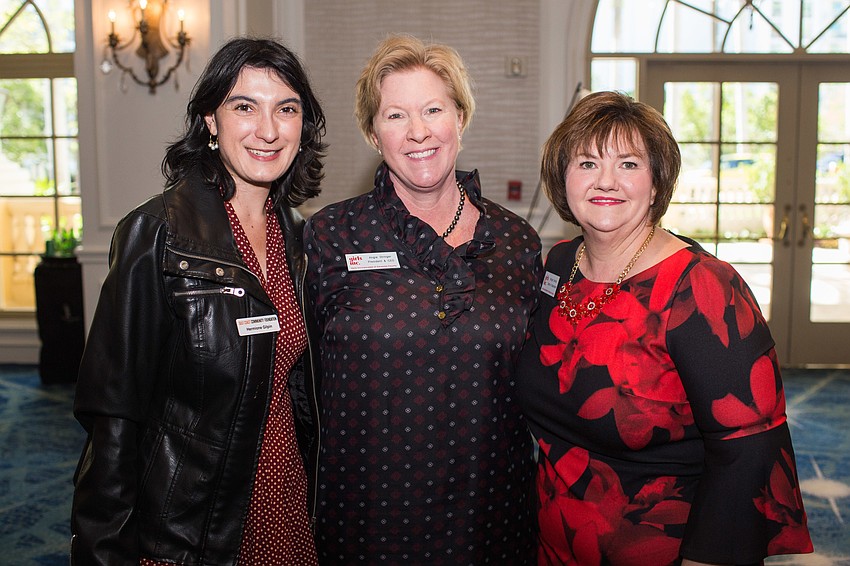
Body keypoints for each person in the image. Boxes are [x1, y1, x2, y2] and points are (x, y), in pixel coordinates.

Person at [515, 90, 813, 565]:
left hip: (664, 550)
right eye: (587, 163)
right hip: (551, 545)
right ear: (562, 178)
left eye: (629, 164)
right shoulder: (559, 265)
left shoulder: (703, 288)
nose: (606, 180)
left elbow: (749, 456)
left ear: (656, 183)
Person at [70, 37, 327, 565]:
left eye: (287, 109)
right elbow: (114, 415)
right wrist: (104, 551)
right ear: (210, 119)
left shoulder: (302, 240)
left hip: (287, 504)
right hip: (191, 525)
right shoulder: (157, 234)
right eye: (244, 107)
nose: (269, 129)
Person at [303, 34, 542, 564]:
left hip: (492, 515)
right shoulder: (330, 236)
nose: (418, 132)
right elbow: (303, 381)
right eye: (395, 115)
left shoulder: (517, 242)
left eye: (433, 109)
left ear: (460, 117)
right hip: (369, 518)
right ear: (372, 132)